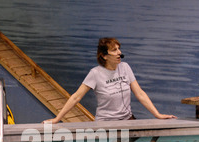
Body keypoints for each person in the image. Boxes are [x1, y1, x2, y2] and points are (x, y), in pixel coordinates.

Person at [43, 37, 177, 123]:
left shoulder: (125, 67)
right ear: (104, 56)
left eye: (119, 49)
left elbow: (140, 94)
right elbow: (76, 97)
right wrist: (57, 119)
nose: (119, 53)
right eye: (114, 50)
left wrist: (158, 114)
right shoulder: (95, 73)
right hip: (106, 123)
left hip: (127, 120)